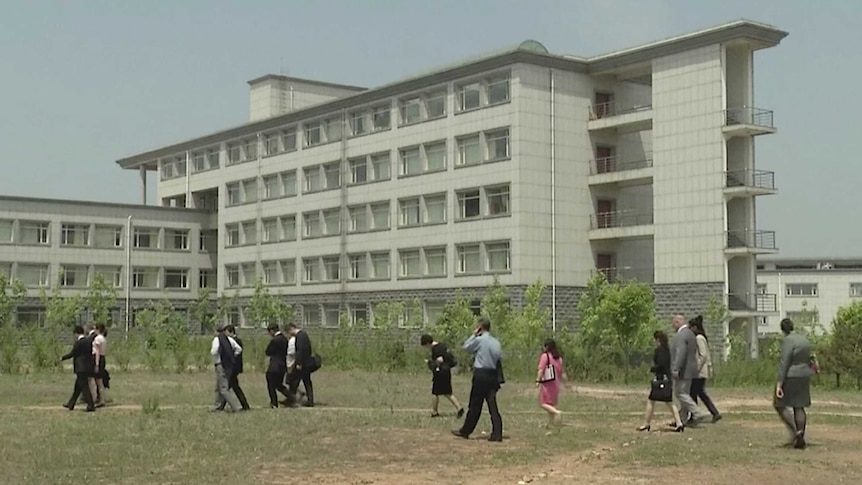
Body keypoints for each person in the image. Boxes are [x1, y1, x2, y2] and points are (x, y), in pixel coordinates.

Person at [452, 317, 503, 442]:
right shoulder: (496, 342)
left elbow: (466, 347)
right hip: (492, 375)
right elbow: (499, 357)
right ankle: (497, 433)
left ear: (480, 327)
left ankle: (465, 431)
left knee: (475, 404)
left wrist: (473, 335)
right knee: (492, 405)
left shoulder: (479, 340)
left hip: (481, 374)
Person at [774, 318, 813, 449]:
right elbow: (810, 357)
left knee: (779, 404)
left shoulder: (788, 341)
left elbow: (784, 362)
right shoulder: (804, 339)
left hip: (791, 376)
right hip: (804, 375)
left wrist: (780, 383)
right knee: (799, 406)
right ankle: (801, 433)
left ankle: (795, 432)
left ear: (783, 329)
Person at [638, 331, 684, 432]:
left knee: (651, 400)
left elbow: (661, 365)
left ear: (658, 339)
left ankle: (646, 423)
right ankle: (679, 423)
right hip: (667, 378)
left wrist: (652, 369)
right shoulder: (667, 350)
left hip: (661, 379)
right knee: (669, 402)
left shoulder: (660, 350)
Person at [670, 315, 704, 427]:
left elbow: (681, 353)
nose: (672, 326)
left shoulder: (682, 335)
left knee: (680, 393)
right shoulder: (690, 334)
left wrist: (676, 368)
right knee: (684, 393)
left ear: (677, 322)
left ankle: (696, 412)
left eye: (673, 323)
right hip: (691, 369)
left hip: (683, 370)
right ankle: (681, 420)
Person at [420, 334, 464, 418]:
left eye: (425, 345)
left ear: (427, 343)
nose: (426, 348)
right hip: (447, 371)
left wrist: (429, 362)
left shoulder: (436, 349)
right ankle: (459, 408)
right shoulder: (442, 345)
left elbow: (439, 361)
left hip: (440, 373)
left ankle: (434, 411)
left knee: (435, 392)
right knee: (448, 392)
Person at [689, 317, 721, 423]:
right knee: (698, 393)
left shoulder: (699, 338)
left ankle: (697, 414)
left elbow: (703, 355)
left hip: (700, 372)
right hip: (700, 372)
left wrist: (696, 368)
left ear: (695, 327)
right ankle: (710, 413)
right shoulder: (700, 337)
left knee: (695, 393)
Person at [536, 338, 572, 428]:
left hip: (547, 383)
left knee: (543, 403)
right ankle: (551, 423)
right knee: (550, 403)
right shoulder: (558, 358)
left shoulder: (545, 356)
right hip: (556, 384)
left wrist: (538, 380)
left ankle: (557, 412)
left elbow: (541, 370)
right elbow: (562, 372)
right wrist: (567, 382)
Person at [61, 325, 96, 412]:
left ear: (76, 333)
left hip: (80, 368)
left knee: (84, 387)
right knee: (78, 388)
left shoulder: (78, 342)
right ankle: (71, 404)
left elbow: (73, 353)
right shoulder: (88, 341)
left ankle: (91, 405)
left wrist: (63, 358)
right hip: (87, 367)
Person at [210, 323, 243, 412]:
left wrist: (219, 356)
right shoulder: (229, 339)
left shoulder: (217, 339)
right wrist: (232, 356)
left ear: (216, 331)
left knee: (223, 388)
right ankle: (217, 406)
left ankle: (235, 407)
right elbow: (239, 349)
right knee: (219, 386)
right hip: (229, 366)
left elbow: (214, 351)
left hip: (220, 364)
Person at [221, 325, 250, 411]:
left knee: (226, 387)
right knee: (232, 386)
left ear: (231, 332)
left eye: (226, 332)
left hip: (233, 367)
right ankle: (244, 405)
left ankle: (221, 405)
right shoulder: (235, 340)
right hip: (234, 367)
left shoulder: (235, 341)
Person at [264, 323, 293, 408]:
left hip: (274, 366)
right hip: (282, 365)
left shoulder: (274, 340)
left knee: (271, 385)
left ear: (272, 331)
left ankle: (274, 403)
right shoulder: (285, 339)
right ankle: (291, 397)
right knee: (279, 385)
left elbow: (268, 351)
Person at [287, 323, 315, 407]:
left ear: (292, 329)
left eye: (289, 331)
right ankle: (310, 400)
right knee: (307, 382)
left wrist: (298, 363)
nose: (290, 334)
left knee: (293, 381)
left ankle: (291, 399)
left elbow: (299, 351)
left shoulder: (299, 336)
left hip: (302, 364)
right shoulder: (304, 334)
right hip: (307, 362)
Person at [92, 323, 110, 407]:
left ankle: (101, 399)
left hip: (98, 358)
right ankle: (100, 398)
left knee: (98, 381)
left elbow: (97, 351)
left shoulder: (98, 338)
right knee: (99, 381)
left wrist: (96, 363)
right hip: (102, 358)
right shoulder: (103, 338)